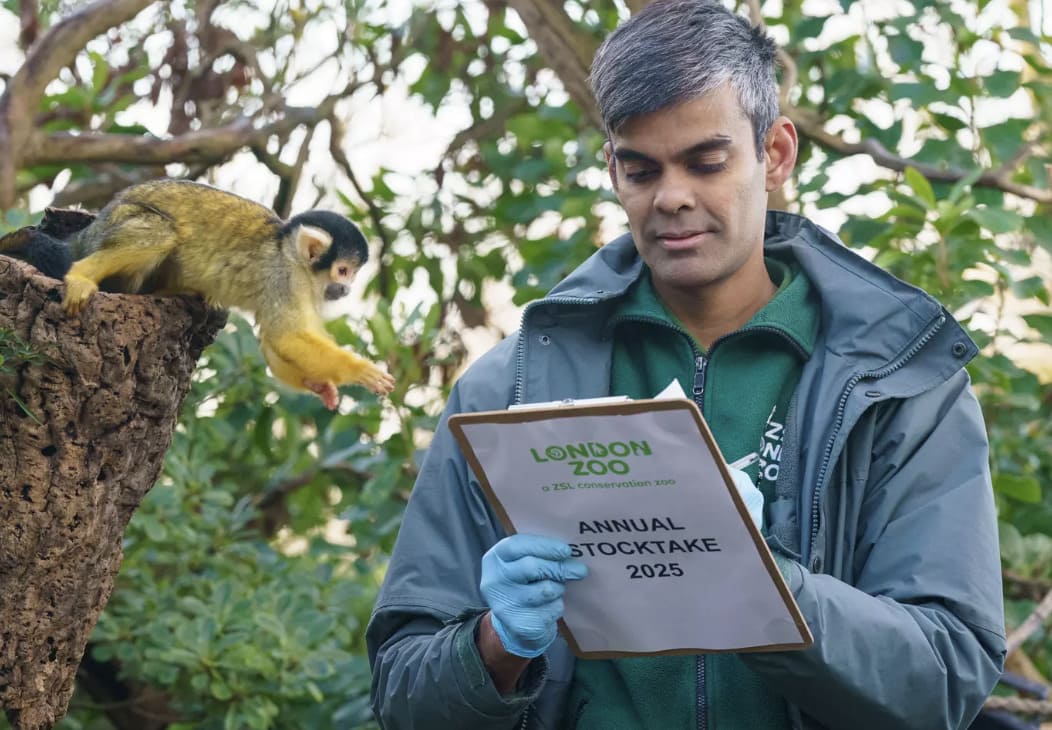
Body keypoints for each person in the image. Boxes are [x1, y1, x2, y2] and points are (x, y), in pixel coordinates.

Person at [366, 0, 1007, 727]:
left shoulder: (900, 385)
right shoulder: (506, 392)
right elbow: (401, 695)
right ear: (612, 170)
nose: (672, 196)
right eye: (641, 170)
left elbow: (948, 676)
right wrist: (496, 646)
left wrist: (770, 593)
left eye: (706, 161)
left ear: (775, 154)